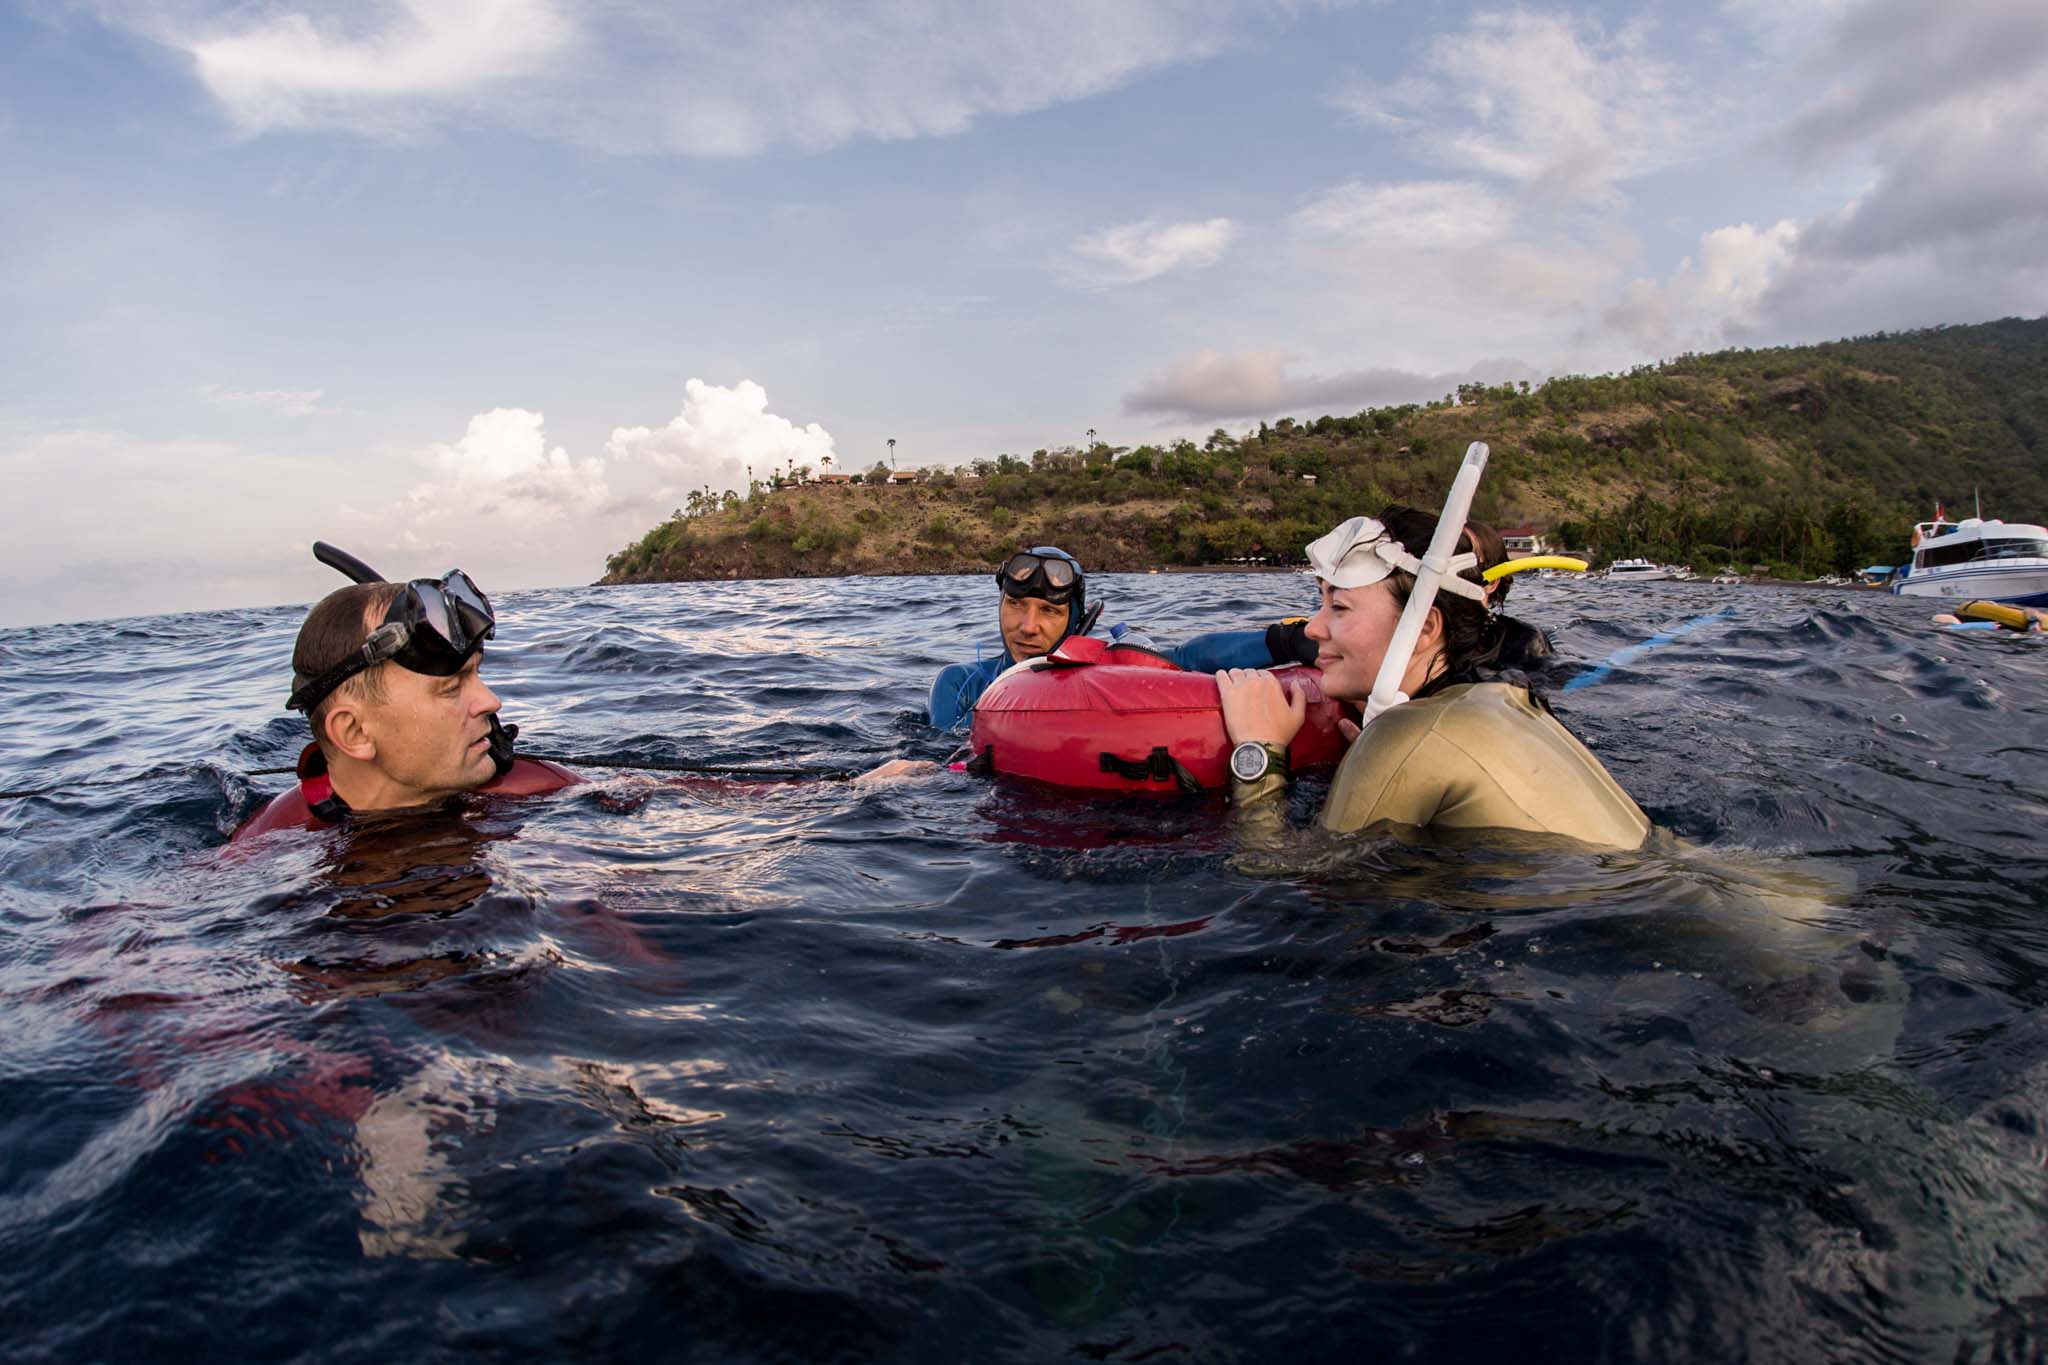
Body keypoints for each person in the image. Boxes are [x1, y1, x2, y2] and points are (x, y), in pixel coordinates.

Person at [1216, 507, 1649, 848]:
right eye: (1321, 602)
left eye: (1340, 607)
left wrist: (1259, 754)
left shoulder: (1408, 734)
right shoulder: (1499, 696)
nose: (1312, 628)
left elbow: (1278, 877)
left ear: (1424, 628)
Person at [234, 570, 578, 840]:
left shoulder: (544, 791)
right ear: (354, 732)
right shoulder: (263, 855)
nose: (490, 701)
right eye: (450, 687)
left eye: (476, 674)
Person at [925, 546, 1298, 730]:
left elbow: (1185, 659)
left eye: (1050, 611)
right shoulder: (960, 684)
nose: (1027, 626)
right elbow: (939, 759)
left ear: (1078, 621)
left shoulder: (1101, 670)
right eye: (1017, 605)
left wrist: (1286, 641)